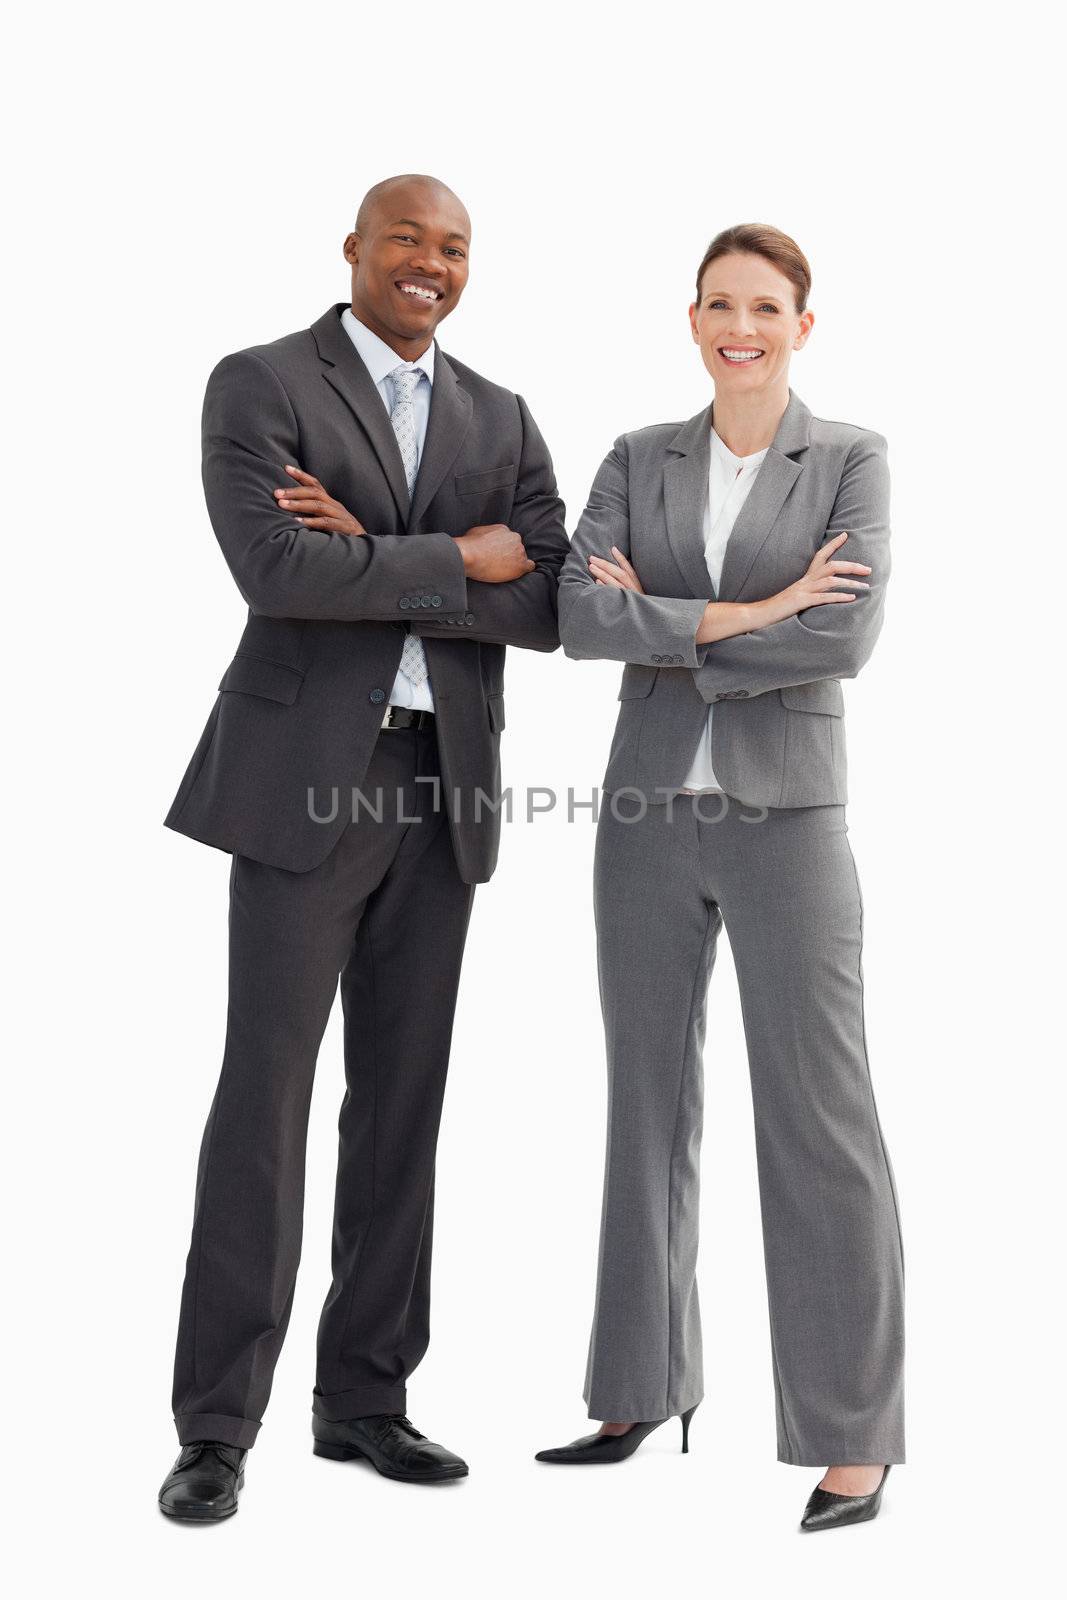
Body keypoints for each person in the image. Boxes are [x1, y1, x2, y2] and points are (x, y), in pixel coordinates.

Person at [158, 173, 569, 1520]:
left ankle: (368, 1402)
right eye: (409, 238)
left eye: (455, 248)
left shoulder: (499, 415)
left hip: (442, 787)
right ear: (355, 248)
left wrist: (387, 557)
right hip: (297, 787)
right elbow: (275, 575)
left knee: (403, 1105)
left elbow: (552, 602)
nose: (431, 264)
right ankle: (219, 1426)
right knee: (264, 1102)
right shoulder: (262, 383)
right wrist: (464, 554)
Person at [537, 224, 904, 1533]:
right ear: (690, 319)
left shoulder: (850, 457)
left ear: (803, 324)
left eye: (764, 305)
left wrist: (672, 628)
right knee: (644, 1100)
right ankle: (638, 1387)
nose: (738, 324)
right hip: (643, 815)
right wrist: (750, 616)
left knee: (820, 1121)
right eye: (717, 303)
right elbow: (580, 614)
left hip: (789, 820)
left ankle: (852, 1434)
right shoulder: (640, 458)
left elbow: (845, 633)